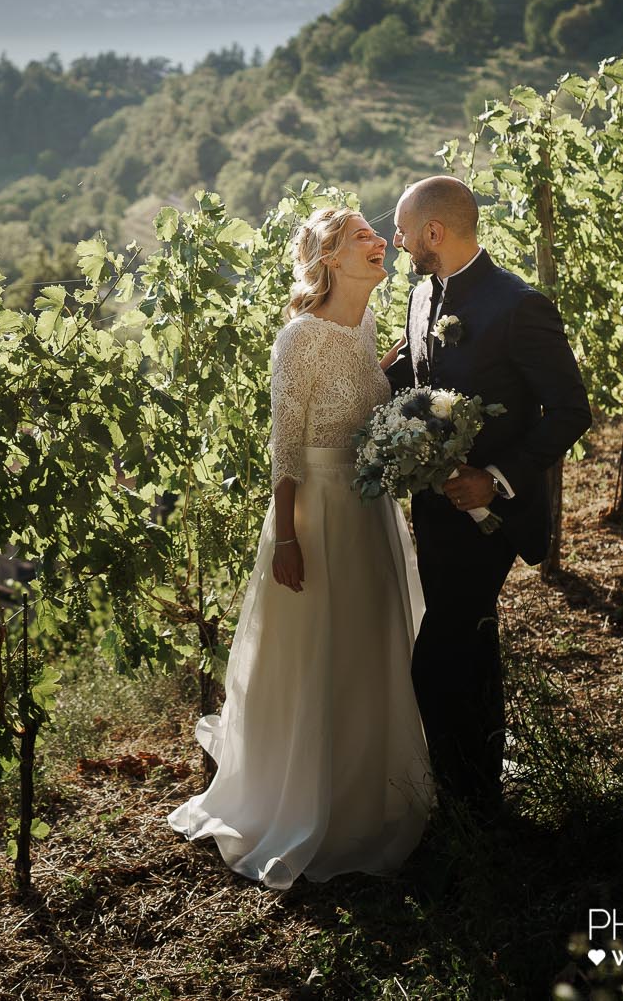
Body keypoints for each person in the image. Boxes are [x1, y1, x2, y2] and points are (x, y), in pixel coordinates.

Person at [168, 206, 433, 888]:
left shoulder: (370, 321)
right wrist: (287, 536)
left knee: (372, 641)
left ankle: (378, 784)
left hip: (370, 508)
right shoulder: (300, 336)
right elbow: (286, 448)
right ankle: (318, 802)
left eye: (379, 232)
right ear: (331, 260)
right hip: (315, 513)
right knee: (322, 649)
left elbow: (357, 402)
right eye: (363, 237)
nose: (381, 242)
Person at [385, 176, 591, 819]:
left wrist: (497, 477)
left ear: (434, 234)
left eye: (403, 230)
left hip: (493, 515)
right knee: (470, 642)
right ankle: (480, 794)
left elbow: (570, 411)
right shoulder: (421, 296)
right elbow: (408, 377)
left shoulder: (517, 305)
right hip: (434, 510)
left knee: (436, 657)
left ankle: (457, 800)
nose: (397, 241)